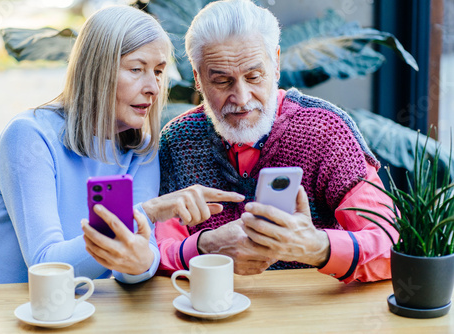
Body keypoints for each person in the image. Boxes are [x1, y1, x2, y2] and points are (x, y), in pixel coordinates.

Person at [0, 5, 243, 285]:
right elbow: (46, 266)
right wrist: (149, 211)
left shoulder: (140, 151)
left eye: (157, 71)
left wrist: (140, 261)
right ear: (97, 70)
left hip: (79, 310)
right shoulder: (29, 136)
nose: (153, 87)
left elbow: (136, 266)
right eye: (136, 69)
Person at [155, 0, 398, 283]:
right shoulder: (177, 141)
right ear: (198, 78)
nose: (242, 98)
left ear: (277, 63)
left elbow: (390, 245)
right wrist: (204, 247)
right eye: (222, 81)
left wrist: (318, 248)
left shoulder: (326, 130)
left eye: (254, 76)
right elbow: (154, 253)